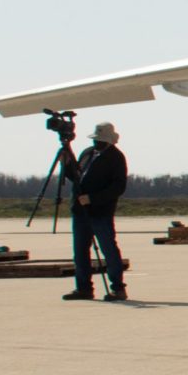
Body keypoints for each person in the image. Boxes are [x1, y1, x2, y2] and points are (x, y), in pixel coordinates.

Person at [65, 121, 129, 301]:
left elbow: (118, 186)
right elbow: (76, 177)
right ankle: (83, 287)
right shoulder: (87, 153)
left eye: (100, 140)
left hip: (101, 211)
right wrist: (67, 164)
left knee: (108, 248)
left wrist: (93, 198)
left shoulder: (116, 157)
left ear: (109, 141)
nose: (96, 143)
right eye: (95, 139)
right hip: (80, 211)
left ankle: (117, 287)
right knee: (80, 251)